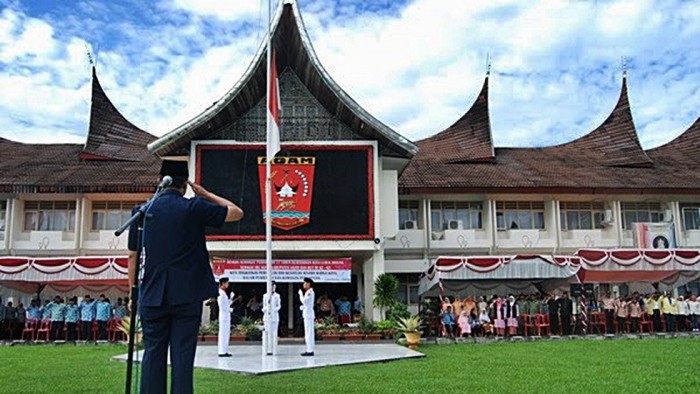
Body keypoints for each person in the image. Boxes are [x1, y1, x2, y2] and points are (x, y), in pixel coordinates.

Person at [127, 160, 243, 394]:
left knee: (152, 356)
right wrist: (206, 193)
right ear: (185, 185)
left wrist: (132, 293)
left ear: (160, 181)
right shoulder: (194, 207)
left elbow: (132, 256)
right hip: (186, 296)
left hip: (152, 294)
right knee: (182, 358)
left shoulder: (143, 211)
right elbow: (237, 212)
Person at [262, 281, 281, 356]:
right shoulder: (265, 295)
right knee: (266, 332)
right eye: (272, 286)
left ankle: (274, 349)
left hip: (275, 317)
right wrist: (266, 309)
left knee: (274, 333)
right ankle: (267, 349)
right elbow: (264, 306)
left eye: (274, 286)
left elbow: (279, 306)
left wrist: (273, 309)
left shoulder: (277, 296)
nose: (273, 288)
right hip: (267, 317)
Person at [299, 277, 316, 356]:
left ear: (308, 284)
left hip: (309, 315)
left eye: (305, 283)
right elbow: (306, 304)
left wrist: (300, 294)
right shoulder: (308, 292)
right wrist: (303, 307)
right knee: (308, 333)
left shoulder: (310, 292)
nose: (303, 284)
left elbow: (304, 301)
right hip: (307, 314)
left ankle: (310, 350)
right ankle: (309, 349)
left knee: (309, 333)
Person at [217, 277, 232, 357]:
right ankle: (222, 351)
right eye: (227, 283)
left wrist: (231, 299)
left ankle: (225, 350)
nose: (228, 284)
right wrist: (229, 309)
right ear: (223, 283)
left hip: (226, 315)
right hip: (224, 316)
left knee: (226, 333)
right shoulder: (220, 293)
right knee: (223, 333)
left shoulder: (224, 292)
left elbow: (226, 304)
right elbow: (222, 306)